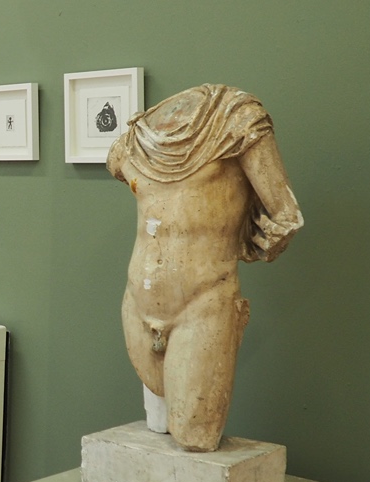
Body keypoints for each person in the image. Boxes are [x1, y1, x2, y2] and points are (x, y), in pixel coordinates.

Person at [106, 85, 302, 452]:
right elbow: (117, 162)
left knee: (194, 438)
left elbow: (285, 215)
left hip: (205, 299)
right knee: (156, 427)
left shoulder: (237, 121)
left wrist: (263, 236)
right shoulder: (137, 139)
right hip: (137, 299)